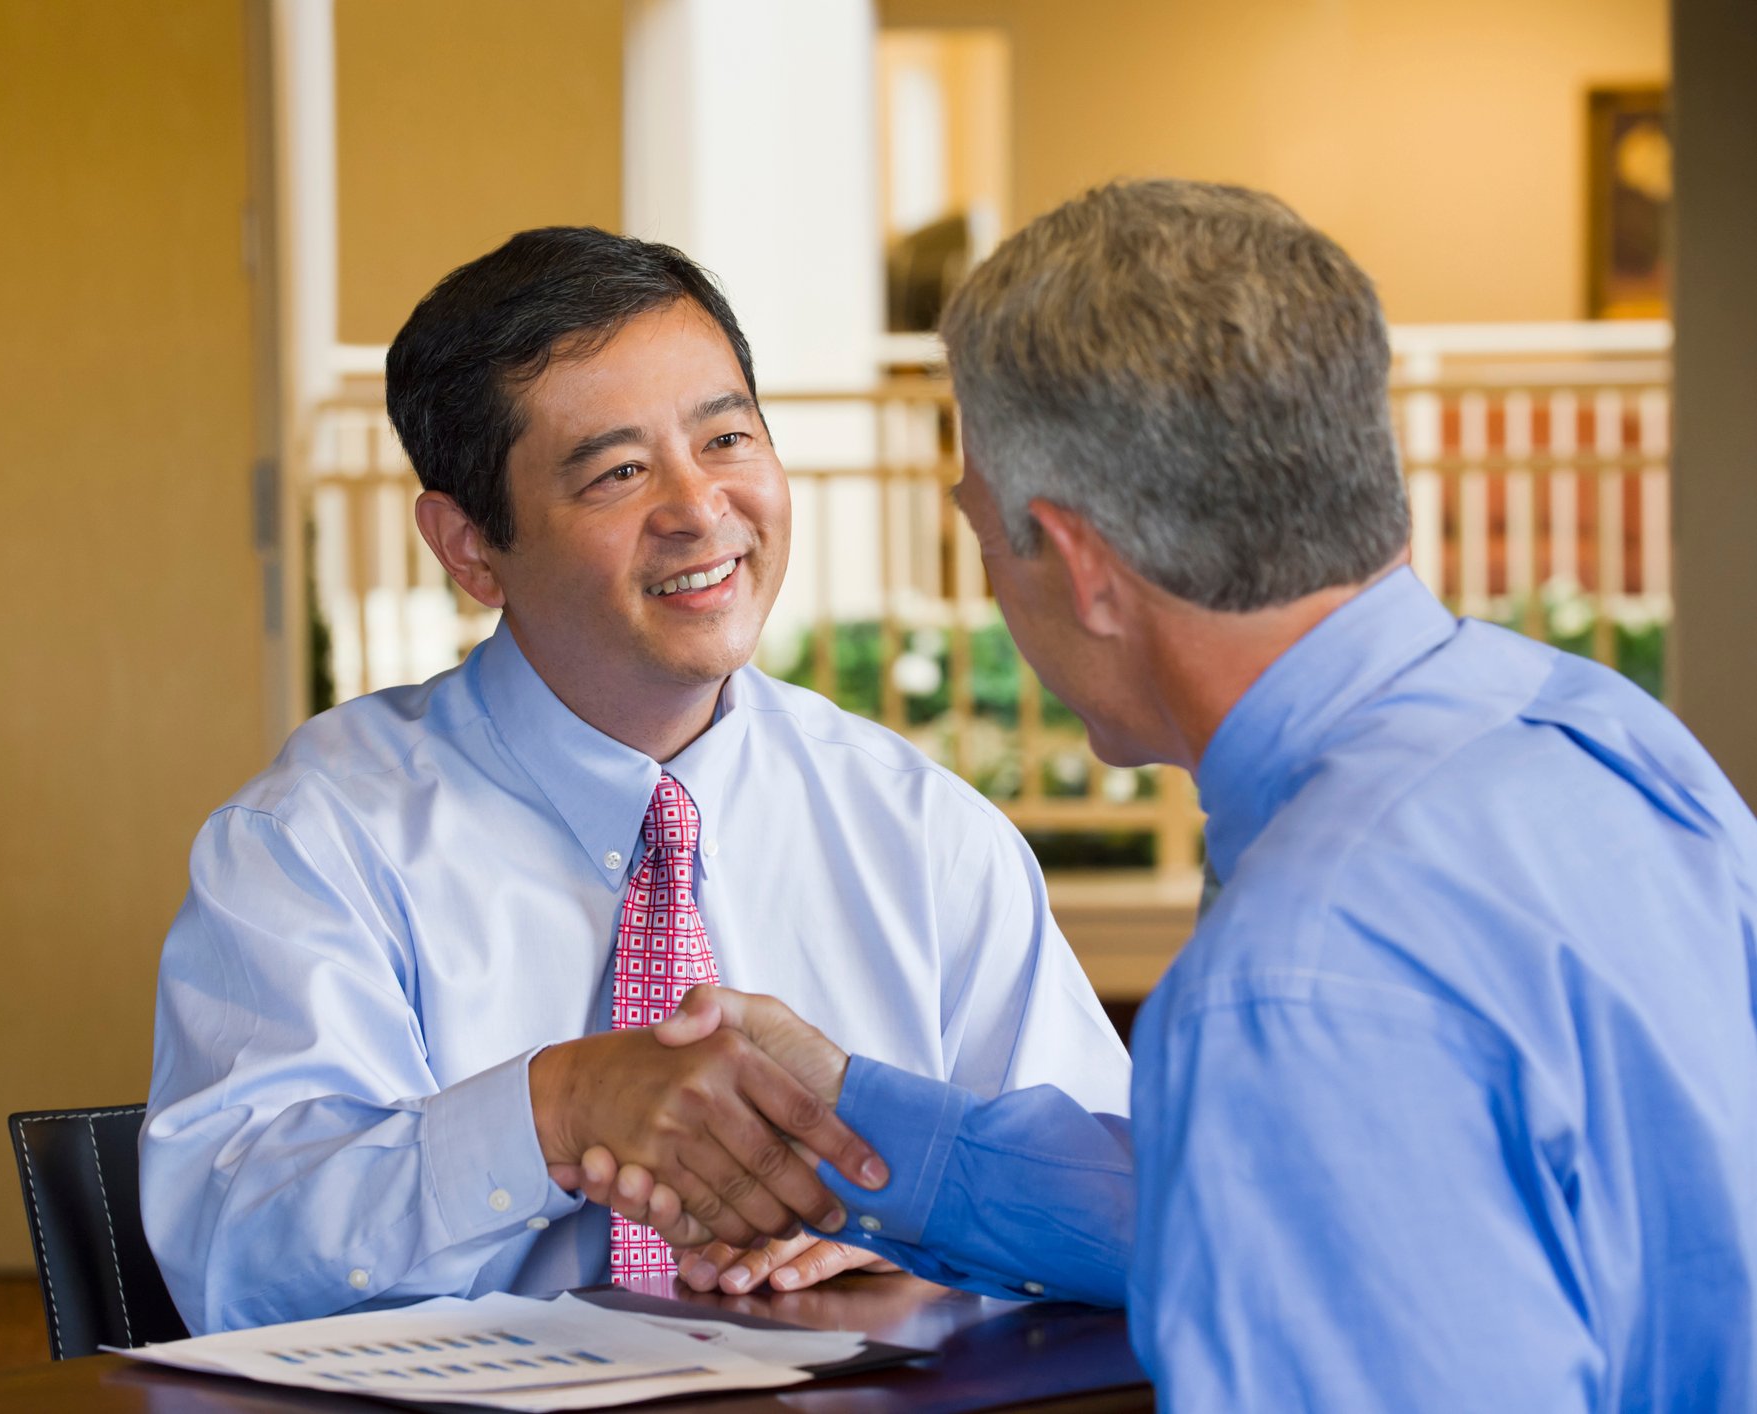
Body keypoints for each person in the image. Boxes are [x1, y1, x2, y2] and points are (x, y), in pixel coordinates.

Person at [580, 181, 1757, 1410]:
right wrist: (851, 1118)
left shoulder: (1298, 977)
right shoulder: (1607, 734)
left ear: (1081, 567)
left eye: (981, 531)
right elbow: (1304, 1199)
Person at [138, 226, 1132, 1333]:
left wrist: (916, 1221)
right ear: (469, 547)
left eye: (728, 438)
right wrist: (556, 1109)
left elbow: (1130, 1220)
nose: (700, 508)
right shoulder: (315, 839)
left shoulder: (922, 829)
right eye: (618, 471)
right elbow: (236, 1252)